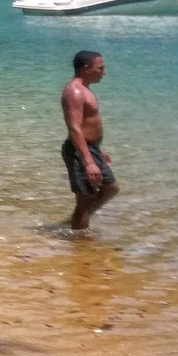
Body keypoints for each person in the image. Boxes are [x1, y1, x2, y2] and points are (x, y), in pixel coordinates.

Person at [62, 50, 119, 230]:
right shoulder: (75, 92)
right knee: (85, 198)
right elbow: (75, 128)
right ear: (87, 69)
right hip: (80, 151)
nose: (104, 72)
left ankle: (76, 222)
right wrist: (88, 162)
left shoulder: (85, 89)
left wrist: (97, 150)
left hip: (90, 148)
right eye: (100, 68)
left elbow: (87, 125)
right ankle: (80, 243)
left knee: (111, 188)